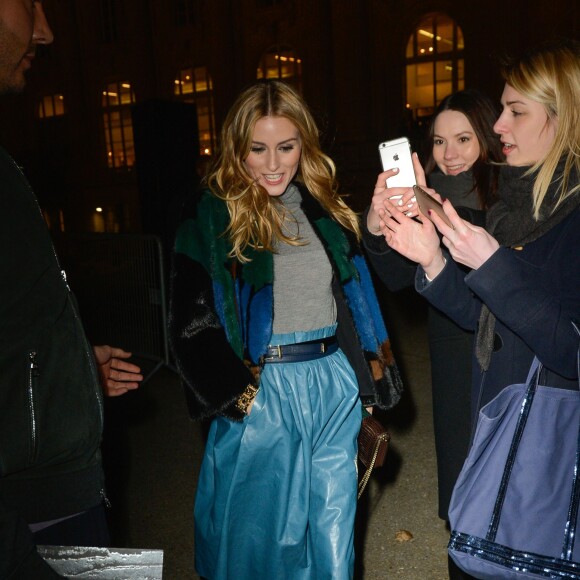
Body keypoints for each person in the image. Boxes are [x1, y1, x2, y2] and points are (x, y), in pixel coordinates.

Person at [169, 79, 403, 579]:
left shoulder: (322, 208)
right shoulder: (213, 213)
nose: (273, 163)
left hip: (332, 385)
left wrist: (364, 381)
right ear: (237, 149)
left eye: (286, 146)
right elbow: (191, 320)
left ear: (304, 145)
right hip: (264, 391)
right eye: (258, 148)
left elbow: (355, 302)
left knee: (333, 537)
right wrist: (238, 394)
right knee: (262, 547)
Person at [371, 35, 580, 570]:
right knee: (477, 532)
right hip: (495, 403)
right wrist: (429, 256)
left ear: (563, 117)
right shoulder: (521, 202)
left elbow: (567, 344)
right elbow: (487, 316)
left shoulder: (551, 210)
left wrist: (489, 264)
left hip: (551, 435)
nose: (501, 127)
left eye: (514, 111)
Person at [0, 2, 143, 577]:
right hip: (34, 511)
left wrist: (73, 370)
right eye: (29, 3)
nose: (46, 29)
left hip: (59, 489)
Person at [363, 89, 503, 576]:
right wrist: (378, 224)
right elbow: (397, 278)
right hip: (453, 356)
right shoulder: (428, 197)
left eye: (464, 138)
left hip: (507, 355)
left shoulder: (513, 196)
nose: (450, 152)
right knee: (463, 484)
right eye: (440, 140)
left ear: (488, 136)